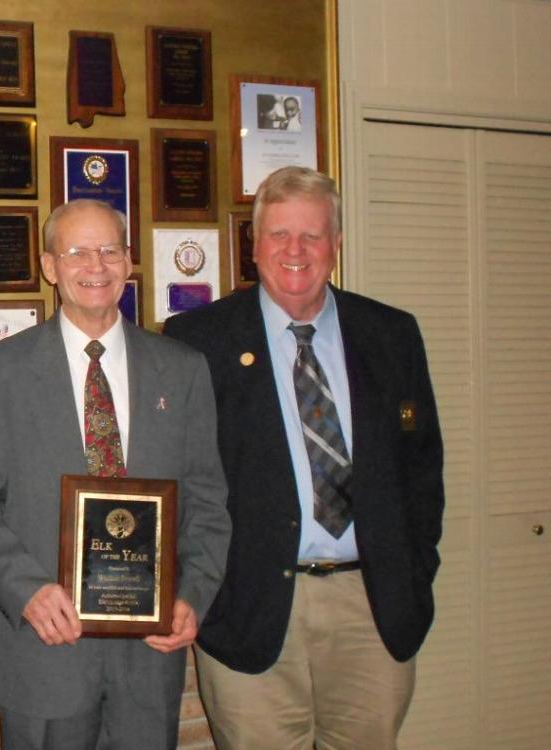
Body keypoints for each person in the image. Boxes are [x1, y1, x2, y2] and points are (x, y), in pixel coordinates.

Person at [164, 166, 444, 750]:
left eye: (312, 236)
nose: (295, 251)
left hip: (371, 606)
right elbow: (176, 479)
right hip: (252, 604)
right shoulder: (197, 341)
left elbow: (423, 470)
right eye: (278, 234)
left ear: (335, 245)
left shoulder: (392, 334)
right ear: (254, 243)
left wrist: (415, 573)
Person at [0, 198, 231, 750]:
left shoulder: (182, 369)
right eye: (78, 252)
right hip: (45, 650)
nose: (96, 265)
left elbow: (207, 498)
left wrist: (192, 594)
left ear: (130, 261)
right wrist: (26, 591)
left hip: (148, 658)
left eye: (110, 250)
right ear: (49, 266)